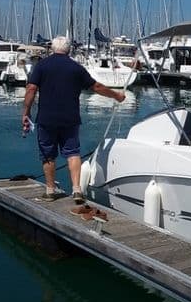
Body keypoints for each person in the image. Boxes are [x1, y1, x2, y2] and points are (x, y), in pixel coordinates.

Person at [22, 36, 125, 203]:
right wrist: (117, 96)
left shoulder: (42, 66)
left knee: (48, 155)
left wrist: (26, 112)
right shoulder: (76, 68)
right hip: (70, 118)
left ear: (52, 48)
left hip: (47, 119)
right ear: (69, 49)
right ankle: (77, 190)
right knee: (73, 153)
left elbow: (31, 89)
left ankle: (50, 191)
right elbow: (97, 87)